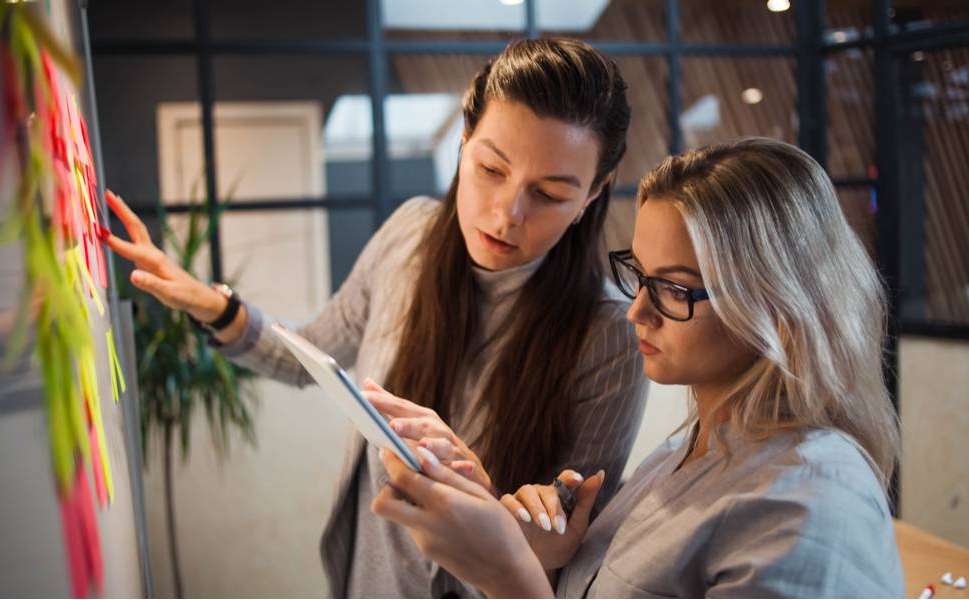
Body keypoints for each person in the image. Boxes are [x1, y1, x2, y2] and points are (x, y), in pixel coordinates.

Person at [101, 38, 650, 598]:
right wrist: (214, 306)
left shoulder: (609, 338)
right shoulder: (408, 237)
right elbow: (310, 355)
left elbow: (575, 563)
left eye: (550, 193)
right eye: (490, 168)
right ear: (463, 141)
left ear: (593, 193)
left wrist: (536, 531)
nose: (506, 214)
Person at [372, 137, 904, 598]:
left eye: (672, 289)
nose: (636, 312)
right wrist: (543, 556)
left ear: (774, 304)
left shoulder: (810, 508)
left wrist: (510, 576)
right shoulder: (692, 446)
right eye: (640, 276)